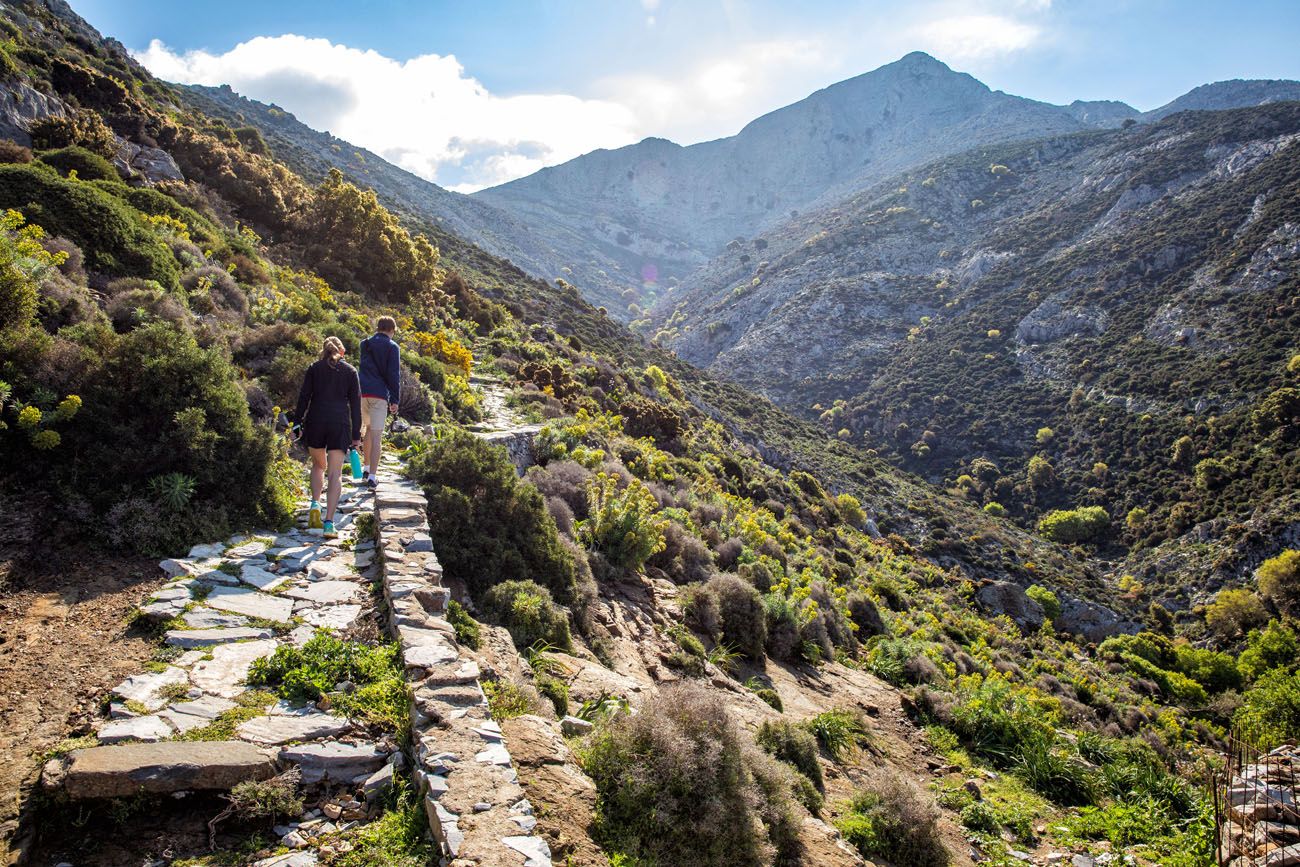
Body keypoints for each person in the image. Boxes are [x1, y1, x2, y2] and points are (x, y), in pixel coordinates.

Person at [293, 336, 361, 538]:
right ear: (342, 352)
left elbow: (304, 397)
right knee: (335, 474)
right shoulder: (350, 371)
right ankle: (329, 523)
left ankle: (315, 504)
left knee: (317, 466)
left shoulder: (314, 368)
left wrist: (297, 423)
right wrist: (356, 435)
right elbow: (356, 407)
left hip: (316, 421)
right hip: (339, 423)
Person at [357, 315, 401, 489]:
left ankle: (366, 468)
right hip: (379, 395)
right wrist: (395, 399)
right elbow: (393, 375)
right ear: (392, 330)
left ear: (378, 327)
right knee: (376, 435)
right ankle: (372, 477)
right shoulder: (392, 347)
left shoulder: (364, 344)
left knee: (366, 430)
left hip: (361, 393)